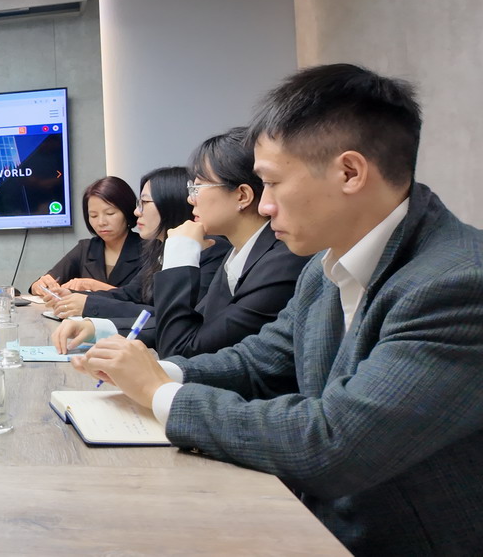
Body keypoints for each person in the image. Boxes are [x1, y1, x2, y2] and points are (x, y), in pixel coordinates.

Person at [74, 64, 483, 553]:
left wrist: (162, 394)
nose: (264, 206)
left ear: (350, 172)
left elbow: (333, 444)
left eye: (272, 183)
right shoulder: (325, 265)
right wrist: (157, 371)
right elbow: (259, 361)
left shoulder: (458, 284)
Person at [53, 128, 309, 355]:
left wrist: (181, 254)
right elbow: (196, 324)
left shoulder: (279, 262)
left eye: (197, 188)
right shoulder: (238, 253)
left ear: (242, 196)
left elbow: (183, 345)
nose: (191, 200)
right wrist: (98, 328)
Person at [49, 167, 230, 321]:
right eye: (93, 215)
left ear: (170, 203)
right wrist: (75, 296)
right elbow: (130, 294)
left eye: (144, 202)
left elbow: (172, 318)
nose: (137, 212)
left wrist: (90, 305)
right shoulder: (158, 247)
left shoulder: (212, 250)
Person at [30, 176, 142, 299]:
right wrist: (39, 285)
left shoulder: (149, 250)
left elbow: (143, 299)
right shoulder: (86, 248)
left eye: (110, 213)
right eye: (93, 216)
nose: (101, 222)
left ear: (127, 211)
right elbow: (47, 280)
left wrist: (91, 285)